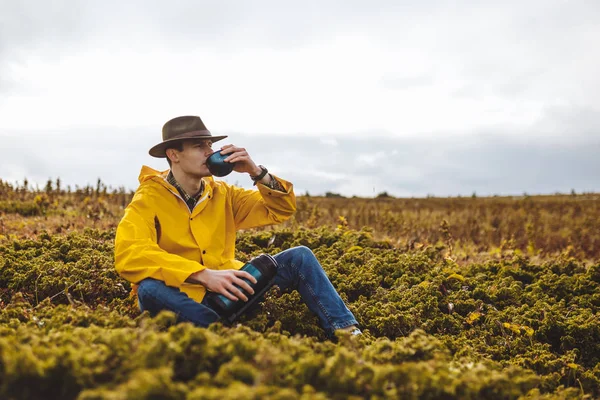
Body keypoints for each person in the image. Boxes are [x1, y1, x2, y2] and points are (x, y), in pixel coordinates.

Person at [114, 115, 360, 339]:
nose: (210, 152)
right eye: (200, 146)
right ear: (174, 155)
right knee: (148, 289)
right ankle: (224, 337)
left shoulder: (223, 194)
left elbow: (280, 210)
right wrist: (202, 275)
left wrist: (257, 172)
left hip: (231, 292)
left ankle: (348, 333)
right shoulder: (148, 199)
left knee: (299, 257)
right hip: (185, 300)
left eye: (210, 145)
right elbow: (130, 253)